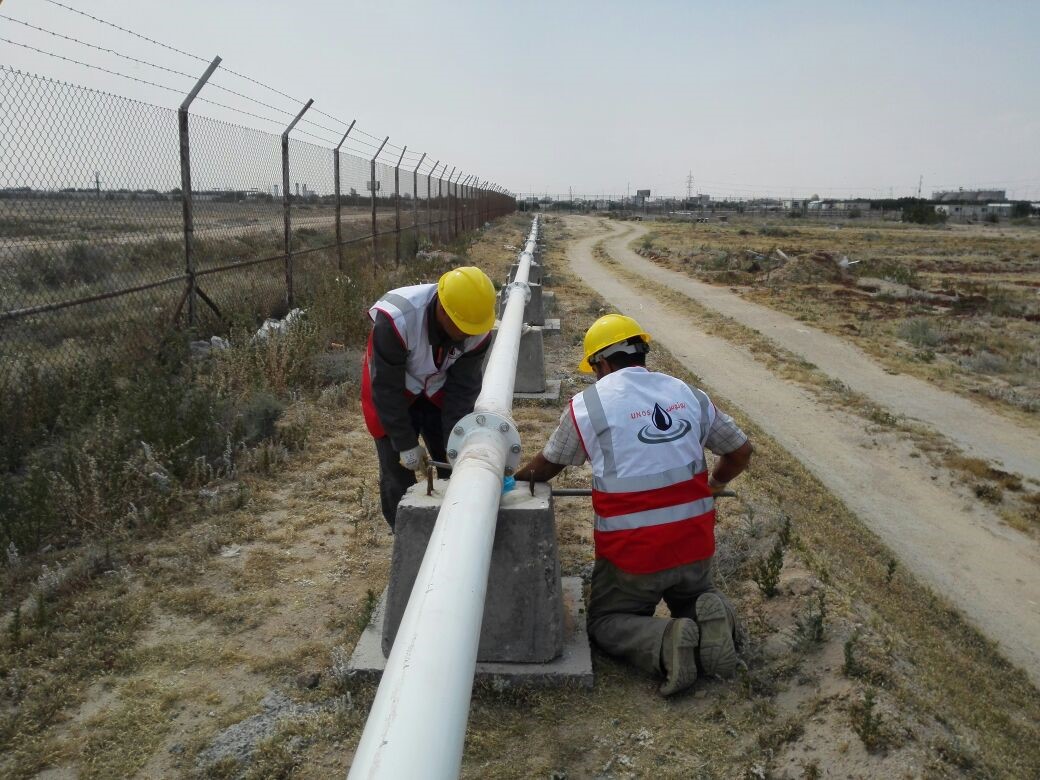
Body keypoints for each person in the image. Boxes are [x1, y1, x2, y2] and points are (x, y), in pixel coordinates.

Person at [516, 313, 753, 696]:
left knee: (607, 621)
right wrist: (715, 483)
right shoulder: (687, 393)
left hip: (632, 557)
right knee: (692, 594)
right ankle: (712, 618)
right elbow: (741, 451)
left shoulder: (589, 406)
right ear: (641, 354)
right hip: (694, 545)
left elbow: (546, 467)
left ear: (601, 364)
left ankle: (666, 640)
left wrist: (510, 480)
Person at [361, 266, 496, 530]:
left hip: (438, 390)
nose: (468, 335)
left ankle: (455, 524)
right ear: (443, 311)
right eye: (462, 328)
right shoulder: (397, 320)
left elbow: (462, 390)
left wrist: (455, 443)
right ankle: (404, 532)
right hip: (396, 390)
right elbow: (386, 388)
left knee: (452, 459)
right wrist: (404, 443)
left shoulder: (477, 328)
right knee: (396, 471)